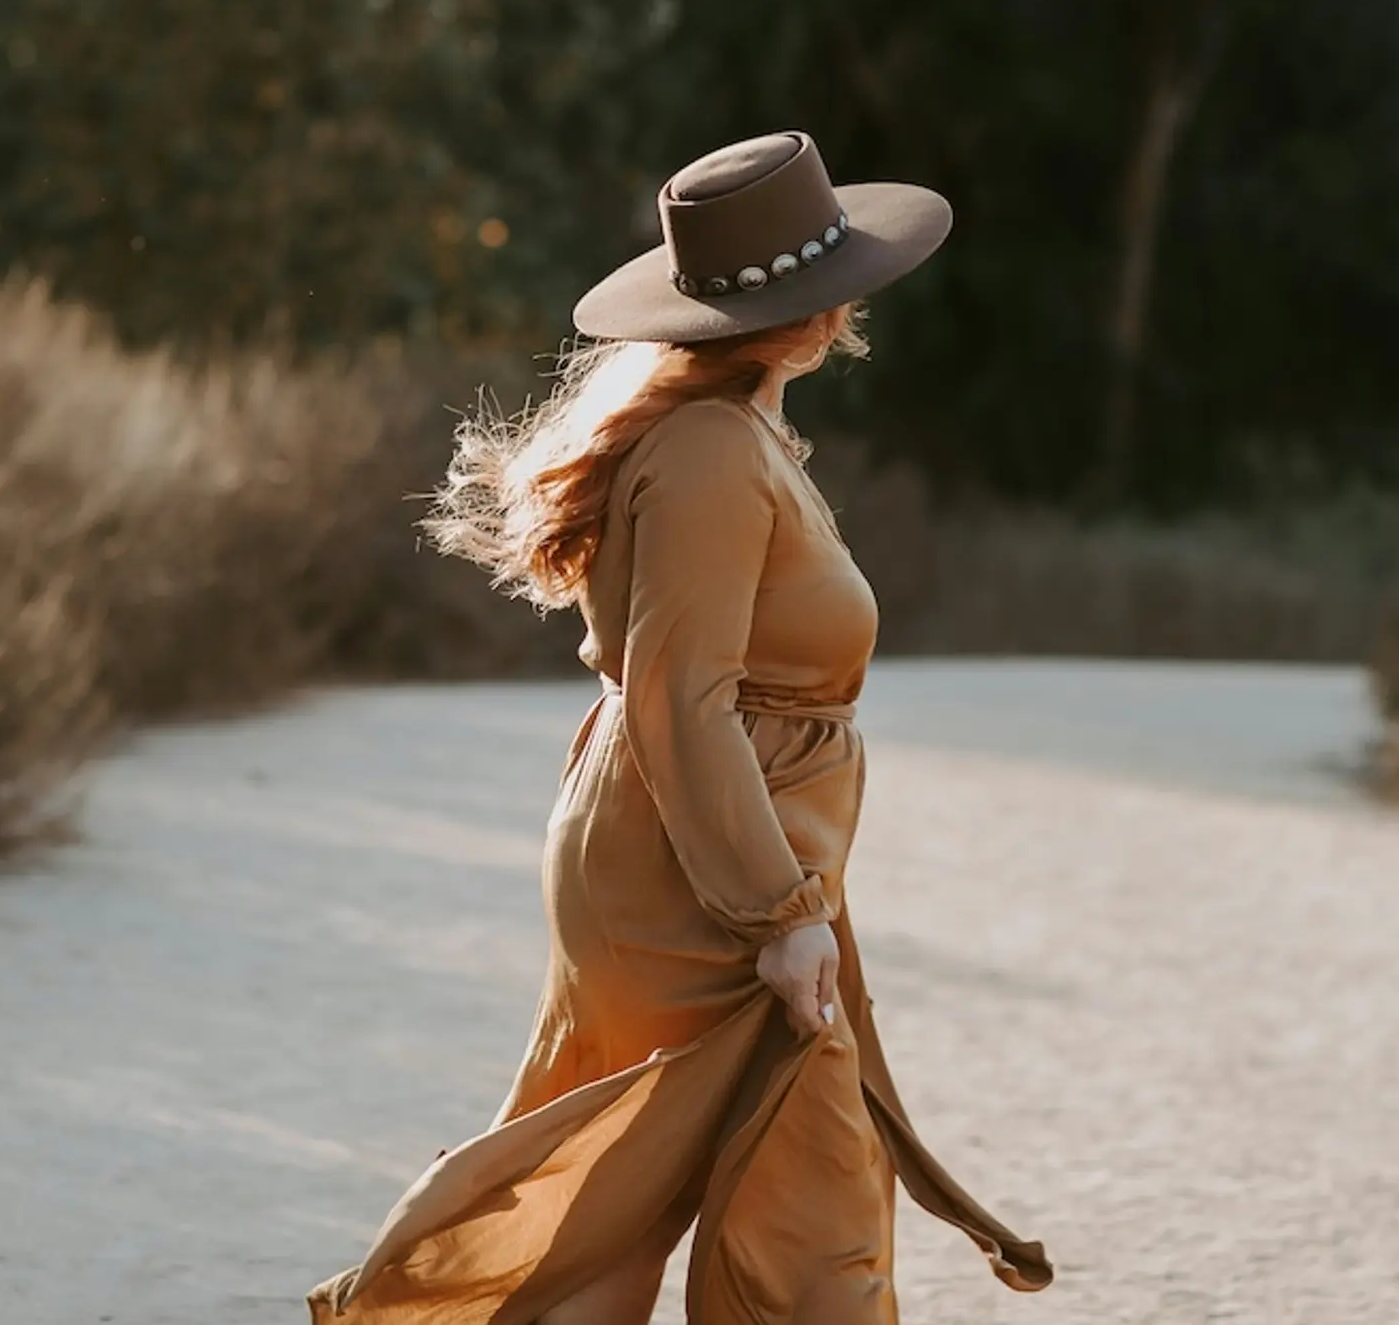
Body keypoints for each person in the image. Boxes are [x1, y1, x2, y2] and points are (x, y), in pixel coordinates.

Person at [307, 133, 1050, 1323]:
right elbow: (680, 697)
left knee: (618, 1202)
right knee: (800, 1217)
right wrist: (780, 913)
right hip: (696, 871)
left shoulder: (734, 430)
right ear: (822, 308)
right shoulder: (709, 449)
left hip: (693, 848)